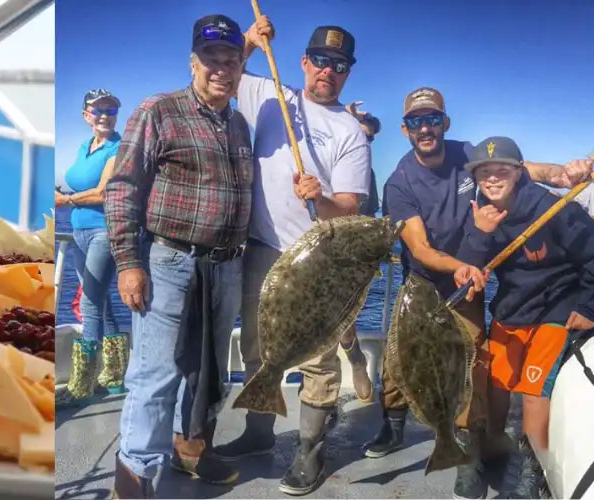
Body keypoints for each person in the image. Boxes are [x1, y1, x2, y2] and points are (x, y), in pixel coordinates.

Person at [377, 87, 591, 499]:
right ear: (406, 129)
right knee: (403, 365)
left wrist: (563, 175)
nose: (426, 128)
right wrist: (466, 258)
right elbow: (419, 248)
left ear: (446, 124)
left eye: (433, 119)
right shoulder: (399, 182)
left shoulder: (468, 156)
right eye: (417, 121)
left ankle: (470, 452)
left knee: (473, 367)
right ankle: (393, 426)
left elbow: (520, 166)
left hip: (470, 285)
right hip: (427, 282)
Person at [215, 18, 375, 497]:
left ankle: (309, 449)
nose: (328, 71)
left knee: (318, 360)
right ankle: (259, 434)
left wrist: (319, 198)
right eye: (321, 61)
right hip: (262, 249)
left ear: (347, 74)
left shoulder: (350, 131)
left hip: (319, 260)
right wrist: (248, 38)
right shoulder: (270, 96)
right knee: (256, 348)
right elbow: (226, 72)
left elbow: (349, 206)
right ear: (305, 62)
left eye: (339, 65)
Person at [104, 14, 252, 497]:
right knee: (156, 374)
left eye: (231, 60)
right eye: (212, 59)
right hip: (169, 262)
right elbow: (123, 188)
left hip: (227, 264)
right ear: (193, 63)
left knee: (207, 370)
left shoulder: (240, 125)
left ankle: (191, 448)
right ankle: (136, 480)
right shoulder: (158, 110)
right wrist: (128, 263)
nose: (222, 69)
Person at [457, 137, 594, 499]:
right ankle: (495, 450)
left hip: (559, 304)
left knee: (534, 392)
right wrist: (478, 235)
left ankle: (534, 466)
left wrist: (590, 309)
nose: (492, 178)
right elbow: (471, 267)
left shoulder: (556, 208)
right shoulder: (478, 211)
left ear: (520, 172)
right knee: (497, 384)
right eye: (484, 172)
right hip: (514, 304)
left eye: (502, 169)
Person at [55, 89, 128, 407]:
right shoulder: (85, 146)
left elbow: (103, 194)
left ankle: (81, 385)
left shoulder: (118, 146)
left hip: (104, 232)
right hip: (79, 232)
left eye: (111, 110)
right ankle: (112, 377)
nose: (104, 116)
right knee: (103, 304)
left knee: (89, 304)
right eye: (98, 111)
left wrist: (66, 199)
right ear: (86, 116)